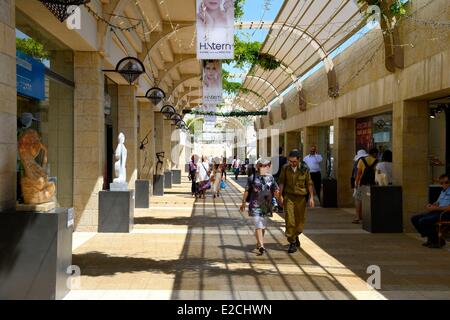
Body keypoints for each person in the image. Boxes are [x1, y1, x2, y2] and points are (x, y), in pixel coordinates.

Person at [240, 158, 280, 255]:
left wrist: (279, 199)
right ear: (258, 167)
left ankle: (259, 242)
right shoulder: (252, 177)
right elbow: (247, 190)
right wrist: (243, 202)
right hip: (255, 205)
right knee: (258, 224)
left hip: (266, 205)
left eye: (266, 165)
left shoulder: (271, 178)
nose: (264, 167)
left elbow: (276, 189)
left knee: (263, 226)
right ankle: (262, 246)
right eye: (262, 165)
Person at [278, 149, 315, 253]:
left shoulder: (304, 168)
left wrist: (311, 197)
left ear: (299, 160)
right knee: (290, 219)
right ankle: (292, 241)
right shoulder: (285, 168)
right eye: (290, 161)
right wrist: (280, 196)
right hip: (289, 196)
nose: (292, 163)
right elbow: (281, 182)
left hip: (301, 197)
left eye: (294, 161)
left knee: (300, 220)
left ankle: (296, 234)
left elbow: (309, 183)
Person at [411, 174, 450, 248]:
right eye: (441, 183)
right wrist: (432, 205)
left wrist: (435, 208)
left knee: (424, 221)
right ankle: (433, 238)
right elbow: (438, 203)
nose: (444, 184)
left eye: (446, 182)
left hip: (445, 214)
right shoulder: (443, 191)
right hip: (437, 212)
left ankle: (437, 241)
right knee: (414, 218)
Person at [353, 148, 379, 224]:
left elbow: (358, 174)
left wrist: (356, 184)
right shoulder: (376, 161)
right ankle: (371, 217)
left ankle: (358, 217)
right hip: (372, 183)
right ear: (375, 154)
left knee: (358, 199)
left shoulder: (362, 160)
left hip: (362, 183)